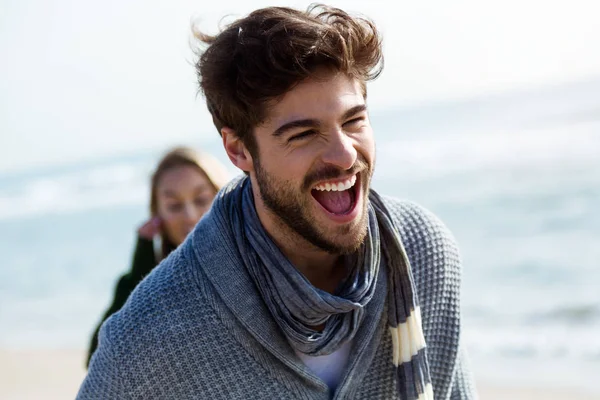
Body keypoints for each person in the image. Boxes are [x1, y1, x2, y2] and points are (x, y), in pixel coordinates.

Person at [79, 5, 477, 399]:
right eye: (303, 134)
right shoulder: (149, 338)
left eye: (353, 121)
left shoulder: (424, 252)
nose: (343, 155)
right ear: (239, 151)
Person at [85, 146, 229, 366]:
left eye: (201, 200)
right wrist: (141, 273)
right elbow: (98, 359)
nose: (189, 216)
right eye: (174, 206)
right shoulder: (154, 284)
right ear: (157, 214)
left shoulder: (254, 259)